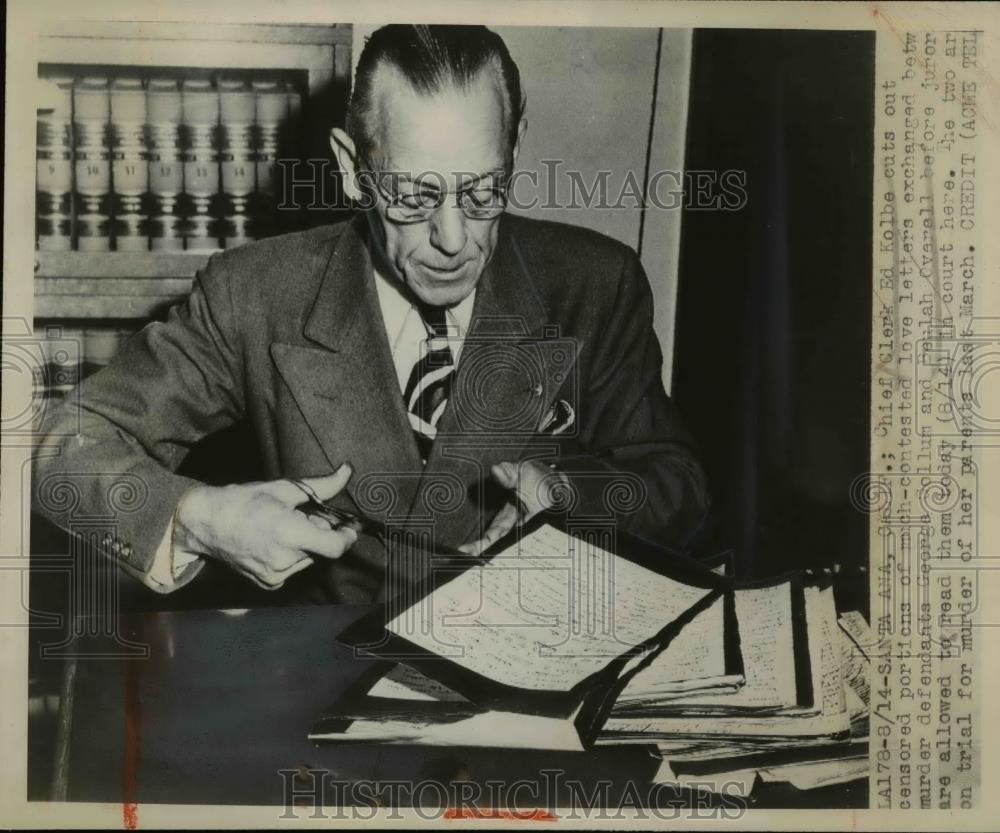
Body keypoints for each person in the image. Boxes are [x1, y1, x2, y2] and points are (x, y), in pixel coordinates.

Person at [32, 24, 710, 604]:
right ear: (354, 169)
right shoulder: (256, 294)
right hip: (322, 681)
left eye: (484, 191)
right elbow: (65, 446)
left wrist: (568, 499)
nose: (453, 238)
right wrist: (198, 518)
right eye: (413, 196)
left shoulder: (595, 282)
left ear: (515, 147)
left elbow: (675, 484)